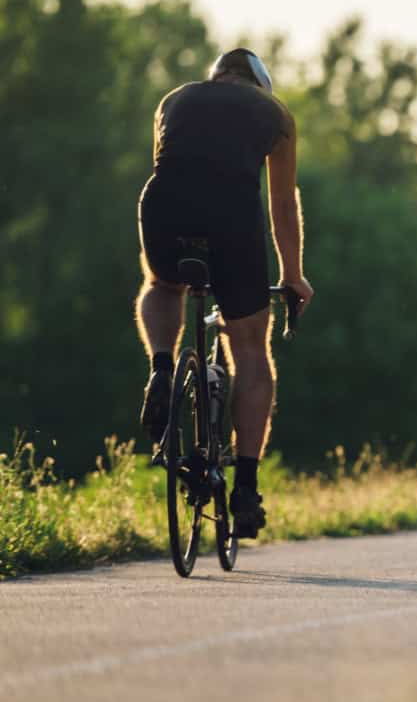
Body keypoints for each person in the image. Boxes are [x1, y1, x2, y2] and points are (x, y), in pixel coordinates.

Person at [135, 48, 314, 538]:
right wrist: (293, 274)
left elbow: (173, 165)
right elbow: (281, 201)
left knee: (161, 282)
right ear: (260, 85)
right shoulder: (276, 115)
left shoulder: (174, 99)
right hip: (233, 214)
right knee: (252, 349)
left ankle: (161, 369)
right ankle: (247, 489)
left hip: (163, 201)